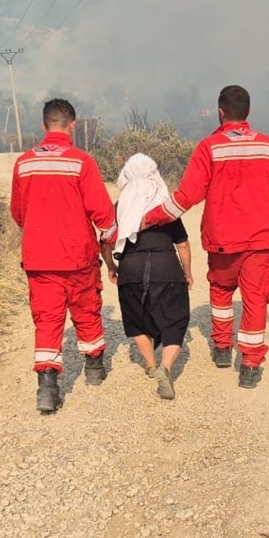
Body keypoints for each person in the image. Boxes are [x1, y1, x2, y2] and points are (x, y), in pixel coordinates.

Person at [143, 85, 269, 389]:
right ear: (248, 112)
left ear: (220, 112)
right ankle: (250, 365)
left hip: (222, 239)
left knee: (222, 292)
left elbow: (187, 197)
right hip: (260, 240)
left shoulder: (209, 147)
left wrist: (149, 218)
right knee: (256, 299)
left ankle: (222, 349)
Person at [11, 99, 118, 413]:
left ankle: (47, 387)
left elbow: (19, 213)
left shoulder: (23, 163)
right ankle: (95, 368)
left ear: (43, 126)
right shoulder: (81, 161)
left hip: (39, 258)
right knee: (86, 308)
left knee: (47, 320)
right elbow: (102, 212)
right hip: (77, 256)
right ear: (72, 125)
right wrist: (110, 239)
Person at [103, 154, 193, 401]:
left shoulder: (119, 208)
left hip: (130, 270)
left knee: (137, 320)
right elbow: (183, 245)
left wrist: (111, 266)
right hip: (167, 268)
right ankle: (166, 368)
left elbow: (106, 242)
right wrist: (187, 272)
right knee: (175, 319)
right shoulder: (165, 209)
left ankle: (151, 365)